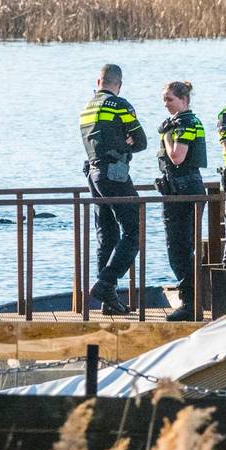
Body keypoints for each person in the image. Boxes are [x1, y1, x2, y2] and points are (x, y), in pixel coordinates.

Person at [79, 63, 147, 314]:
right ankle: (106, 282)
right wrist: (126, 142)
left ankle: (109, 302)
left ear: (98, 82)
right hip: (115, 174)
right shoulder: (121, 105)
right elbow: (141, 141)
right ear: (118, 84)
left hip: (93, 175)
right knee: (134, 229)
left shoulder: (86, 108)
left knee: (106, 235)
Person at [156, 80, 208, 322]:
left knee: (179, 249)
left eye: (170, 99)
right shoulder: (181, 122)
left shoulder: (185, 122)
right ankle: (192, 300)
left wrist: (166, 136)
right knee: (179, 248)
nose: (165, 104)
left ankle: (190, 303)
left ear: (184, 100)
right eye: (164, 99)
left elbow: (177, 157)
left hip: (185, 190)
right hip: (181, 189)